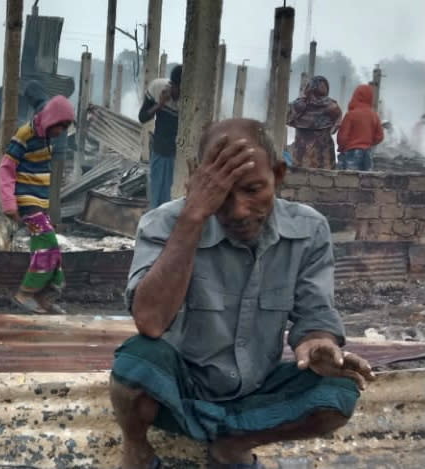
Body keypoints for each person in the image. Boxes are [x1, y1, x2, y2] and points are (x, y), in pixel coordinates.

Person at [109, 118, 375, 469]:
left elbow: (314, 316)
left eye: (252, 190)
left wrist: (317, 344)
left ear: (278, 176)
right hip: (180, 392)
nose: (237, 211)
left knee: (338, 392)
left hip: (257, 393)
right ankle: (137, 450)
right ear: (197, 178)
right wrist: (194, 215)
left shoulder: (309, 229)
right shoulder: (164, 223)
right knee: (135, 363)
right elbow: (151, 322)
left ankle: (233, 445)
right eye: (221, 192)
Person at [0, 95, 75, 314]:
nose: (62, 132)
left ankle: (44, 297)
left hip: (38, 202)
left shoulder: (45, 135)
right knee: (47, 245)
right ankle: (25, 293)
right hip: (26, 200)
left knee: (52, 249)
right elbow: (6, 168)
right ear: (52, 120)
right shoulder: (26, 134)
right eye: (62, 126)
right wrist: (9, 203)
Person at [139, 65, 181, 209]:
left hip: (177, 154)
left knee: (171, 196)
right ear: (172, 84)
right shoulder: (157, 88)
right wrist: (160, 105)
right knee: (156, 193)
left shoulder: (189, 99)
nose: (180, 93)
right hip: (160, 149)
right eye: (178, 89)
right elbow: (142, 117)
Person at [287, 76, 342, 169]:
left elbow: (288, 119)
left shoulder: (298, 104)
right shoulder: (332, 106)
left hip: (304, 154)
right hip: (322, 157)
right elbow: (335, 128)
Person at [336, 85, 384, 171]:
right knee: (366, 180)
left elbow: (342, 138)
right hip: (368, 153)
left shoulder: (351, 115)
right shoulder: (374, 115)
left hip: (351, 153)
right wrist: (368, 143)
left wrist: (343, 148)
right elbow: (380, 136)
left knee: (350, 180)